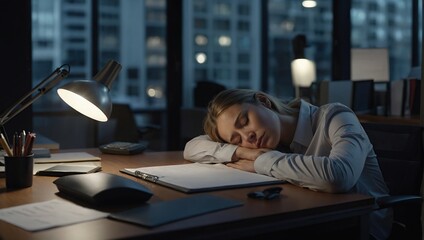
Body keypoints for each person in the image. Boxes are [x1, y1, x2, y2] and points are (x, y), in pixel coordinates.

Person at [183, 88, 392, 240]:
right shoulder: (269, 144)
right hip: (315, 221)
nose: (249, 137)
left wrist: (260, 161)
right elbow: (192, 147)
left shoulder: (335, 116)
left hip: (363, 227)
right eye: (237, 138)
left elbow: (339, 176)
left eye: (244, 121)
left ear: (263, 101)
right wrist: (241, 152)